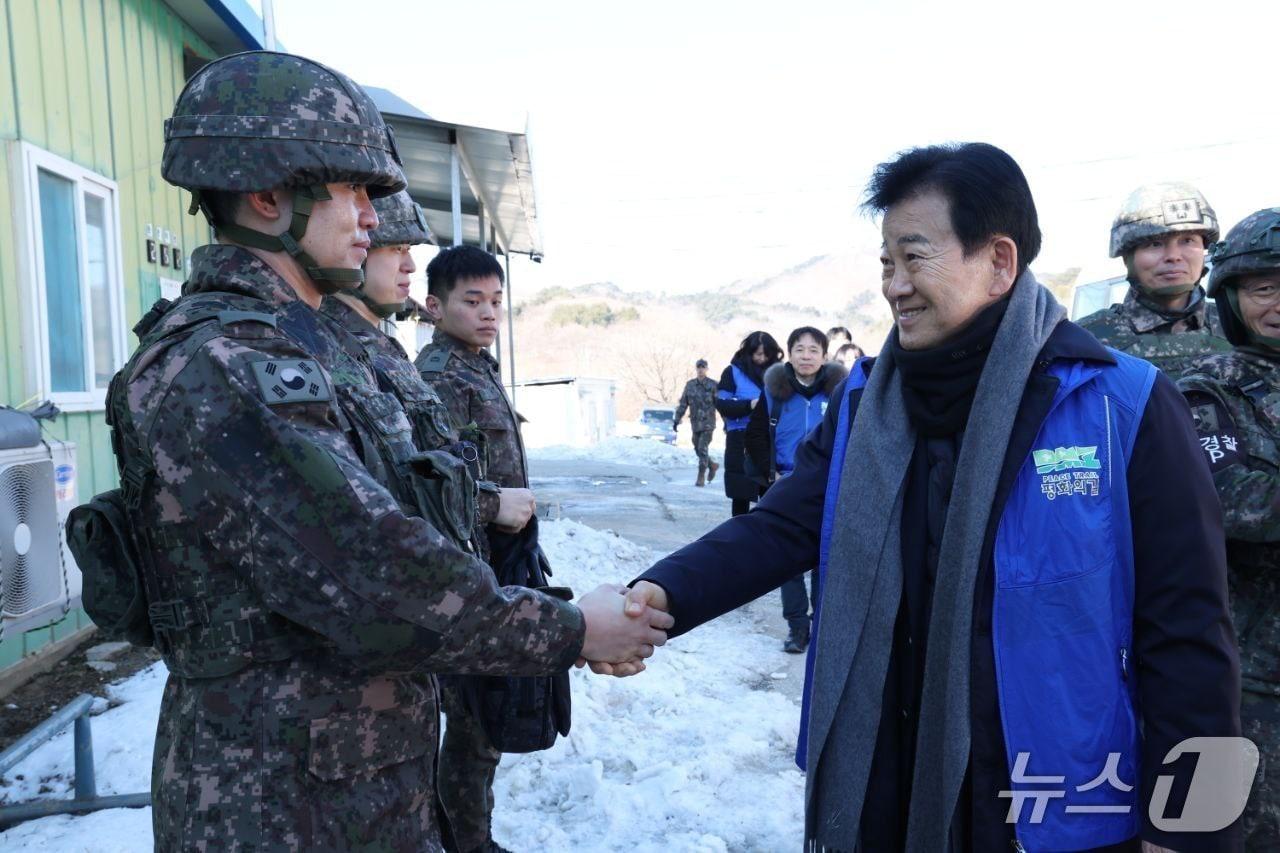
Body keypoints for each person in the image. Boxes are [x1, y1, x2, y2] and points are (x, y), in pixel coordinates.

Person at [80, 51, 671, 851]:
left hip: (352, 787)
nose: (371, 217)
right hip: (280, 806)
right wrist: (570, 629)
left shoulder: (304, 348)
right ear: (267, 196)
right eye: (353, 191)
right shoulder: (225, 366)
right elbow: (381, 578)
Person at [624, 143, 1240, 851]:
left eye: (914, 257)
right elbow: (782, 527)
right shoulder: (868, 403)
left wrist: (1195, 832)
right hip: (897, 777)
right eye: (885, 262)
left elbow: (1190, 630)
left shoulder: (1118, 401)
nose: (893, 285)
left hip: (1064, 802)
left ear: (999, 261)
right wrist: (661, 594)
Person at [415, 244, 548, 852]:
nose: (489, 313)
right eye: (473, 301)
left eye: (496, 301)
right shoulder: (440, 376)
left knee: (483, 717)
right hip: (467, 569)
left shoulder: (475, 365)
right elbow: (433, 483)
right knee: (473, 720)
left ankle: (467, 835)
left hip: (497, 560)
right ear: (434, 306)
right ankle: (467, 842)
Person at [1178, 207, 1280, 848]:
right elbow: (1241, 501)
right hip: (1252, 683)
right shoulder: (1207, 392)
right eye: (1265, 287)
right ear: (1233, 296)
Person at [744, 326, 846, 653]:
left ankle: (822, 624)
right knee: (787, 562)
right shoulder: (774, 391)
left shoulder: (839, 393)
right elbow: (756, 435)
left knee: (823, 560)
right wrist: (768, 471)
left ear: (824, 356)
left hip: (828, 485)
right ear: (789, 354)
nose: (806, 356)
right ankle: (797, 628)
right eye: (799, 349)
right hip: (785, 484)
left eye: (813, 350)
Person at [1077, 182, 1232, 376]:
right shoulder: (1087, 339)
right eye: (1155, 244)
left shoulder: (1239, 328)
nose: (1173, 256)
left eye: (1187, 241)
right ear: (1127, 257)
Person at [715, 331, 783, 516]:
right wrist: (749, 405)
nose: (761, 358)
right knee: (741, 493)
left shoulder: (781, 373)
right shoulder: (732, 372)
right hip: (740, 438)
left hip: (771, 438)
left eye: (766, 354)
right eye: (757, 353)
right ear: (748, 352)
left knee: (771, 493)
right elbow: (722, 404)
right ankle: (739, 535)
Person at [674, 358, 720, 486]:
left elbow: (720, 405)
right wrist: (677, 419)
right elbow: (683, 403)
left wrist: (727, 422)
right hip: (695, 424)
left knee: (702, 448)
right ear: (696, 369)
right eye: (699, 367)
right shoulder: (690, 385)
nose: (701, 369)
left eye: (703, 367)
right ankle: (712, 465)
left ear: (706, 369)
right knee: (697, 448)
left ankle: (701, 477)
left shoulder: (713, 385)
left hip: (708, 423)